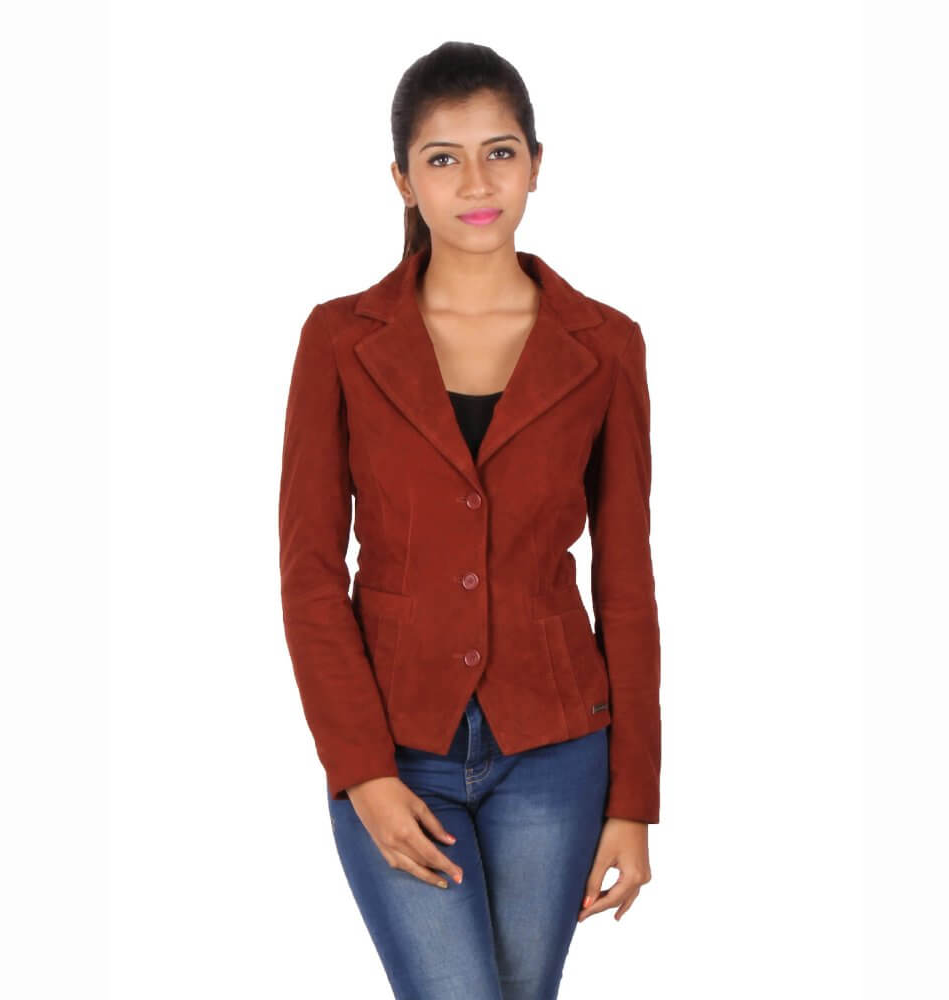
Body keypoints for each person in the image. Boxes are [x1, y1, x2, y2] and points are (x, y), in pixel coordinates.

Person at [278, 41, 661, 1000]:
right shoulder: (340, 339)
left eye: (500, 152)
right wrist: (361, 770)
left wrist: (634, 799)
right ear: (403, 180)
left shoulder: (605, 344)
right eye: (443, 158)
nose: (476, 183)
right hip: (396, 745)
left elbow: (625, 578)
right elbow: (310, 574)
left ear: (536, 164)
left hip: (558, 748)